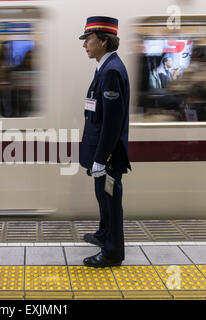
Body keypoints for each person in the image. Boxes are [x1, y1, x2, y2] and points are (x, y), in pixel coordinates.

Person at [78, 16, 131, 267]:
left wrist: (101, 158)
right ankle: (103, 234)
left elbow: (112, 122)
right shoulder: (104, 67)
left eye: (89, 39)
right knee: (103, 198)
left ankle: (112, 253)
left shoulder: (111, 71)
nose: (85, 45)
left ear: (104, 41)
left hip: (108, 156)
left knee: (110, 201)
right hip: (102, 152)